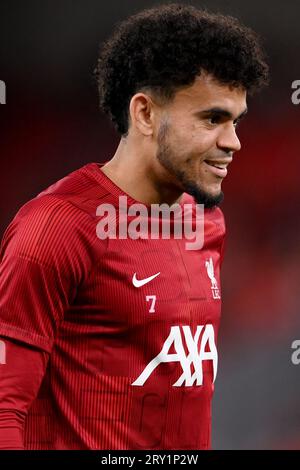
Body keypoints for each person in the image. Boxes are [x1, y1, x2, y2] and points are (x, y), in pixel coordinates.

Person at [0, 4, 268, 450]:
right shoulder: (55, 228)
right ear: (144, 114)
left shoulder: (206, 222)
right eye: (212, 118)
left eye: (236, 121)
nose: (233, 142)